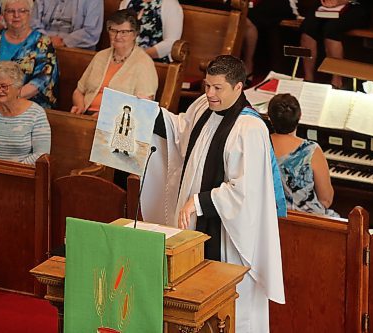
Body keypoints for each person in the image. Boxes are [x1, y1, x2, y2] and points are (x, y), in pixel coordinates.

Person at [144, 55, 285, 332]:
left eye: (218, 88)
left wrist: (197, 202)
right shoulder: (203, 107)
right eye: (207, 86)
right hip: (194, 224)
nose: (210, 93)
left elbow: (246, 192)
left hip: (228, 236)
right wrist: (148, 112)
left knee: (231, 308)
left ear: (238, 87)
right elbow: (180, 132)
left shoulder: (250, 128)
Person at [0, 0, 59, 109]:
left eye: (22, 11)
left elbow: (42, 81)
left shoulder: (43, 43)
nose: (16, 15)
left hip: (28, 109)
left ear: (29, 14)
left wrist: (6, 99)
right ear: (3, 15)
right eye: (11, 11)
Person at [70, 9, 158, 118]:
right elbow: (79, 91)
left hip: (117, 124)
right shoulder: (100, 56)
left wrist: (107, 117)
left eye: (124, 32)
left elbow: (144, 106)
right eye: (113, 31)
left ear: (135, 34)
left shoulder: (144, 63)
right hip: (87, 116)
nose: (117, 36)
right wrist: (80, 107)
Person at [268, 93, 339, 217]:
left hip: (269, 219)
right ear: (299, 116)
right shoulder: (311, 150)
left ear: (270, 117)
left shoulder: (259, 144)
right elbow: (326, 200)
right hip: (306, 222)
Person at [0, 61, 51, 165]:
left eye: (3, 86)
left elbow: (41, 154)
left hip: (24, 175)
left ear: (18, 87)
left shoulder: (36, 114)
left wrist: (13, 171)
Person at [300, 0, 373, 88]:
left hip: (356, 6)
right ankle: (308, 78)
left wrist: (340, 1)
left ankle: (337, 80)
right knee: (308, 26)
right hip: (328, 6)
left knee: (332, 29)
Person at [242, 0, 302, 82]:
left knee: (246, 15)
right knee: (243, 15)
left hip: (276, 5)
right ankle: (244, 66)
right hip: (251, 6)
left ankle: (248, 65)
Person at [30, 0, 104, 50]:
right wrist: (46, 39)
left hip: (75, 49)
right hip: (41, 44)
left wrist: (64, 42)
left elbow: (91, 32)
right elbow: (32, 23)